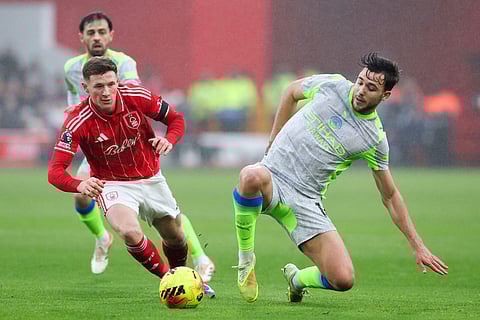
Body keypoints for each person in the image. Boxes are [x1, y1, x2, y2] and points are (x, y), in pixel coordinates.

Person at [232, 52, 448, 303]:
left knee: (343, 279)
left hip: (305, 201)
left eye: (371, 88)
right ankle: (246, 260)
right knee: (249, 175)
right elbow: (291, 92)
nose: (360, 91)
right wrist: (272, 141)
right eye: (360, 82)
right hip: (272, 176)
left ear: (385, 95)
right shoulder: (333, 85)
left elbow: (389, 196)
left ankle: (296, 280)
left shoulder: (374, 139)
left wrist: (418, 245)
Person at [63, 12, 215, 283]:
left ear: (111, 35)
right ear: (82, 38)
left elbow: (132, 96)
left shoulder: (124, 63)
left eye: (101, 32)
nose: (96, 37)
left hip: (131, 139)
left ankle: (199, 258)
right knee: (81, 196)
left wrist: (165, 136)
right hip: (98, 143)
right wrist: (74, 119)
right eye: (91, 32)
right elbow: (76, 102)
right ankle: (103, 238)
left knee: (169, 218)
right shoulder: (71, 68)